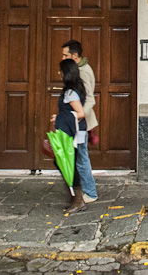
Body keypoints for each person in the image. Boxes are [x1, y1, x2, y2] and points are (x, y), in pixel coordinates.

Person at [52, 58, 98, 214]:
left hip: (74, 133)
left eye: (61, 70)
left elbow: (80, 113)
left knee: (71, 164)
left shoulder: (70, 92)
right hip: (75, 132)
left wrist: (58, 118)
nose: (58, 73)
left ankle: (79, 199)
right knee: (71, 163)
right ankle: (76, 198)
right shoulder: (76, 88)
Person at [61, 40, 98, 141]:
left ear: (75, 55)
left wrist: (79, 116)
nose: (63, 58)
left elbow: (90, 98)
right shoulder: (78, 68)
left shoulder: (83, 72)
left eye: (65, 55)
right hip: (77, 121)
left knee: (81, 154)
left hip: (80, 122)